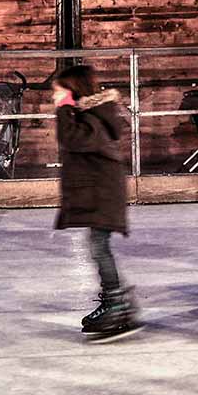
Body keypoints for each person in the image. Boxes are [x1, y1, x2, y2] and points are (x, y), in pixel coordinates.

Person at [52, 62, 138, 341]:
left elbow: (71, 139)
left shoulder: (93, 118)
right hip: (101, 193)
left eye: (59, 93)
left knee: (99, 247)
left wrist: (64, 108)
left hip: (105, 194)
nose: (54, 98)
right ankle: (117, 301)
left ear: (72, 91)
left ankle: (118, 302)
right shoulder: (91, 115)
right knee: (98, 246)